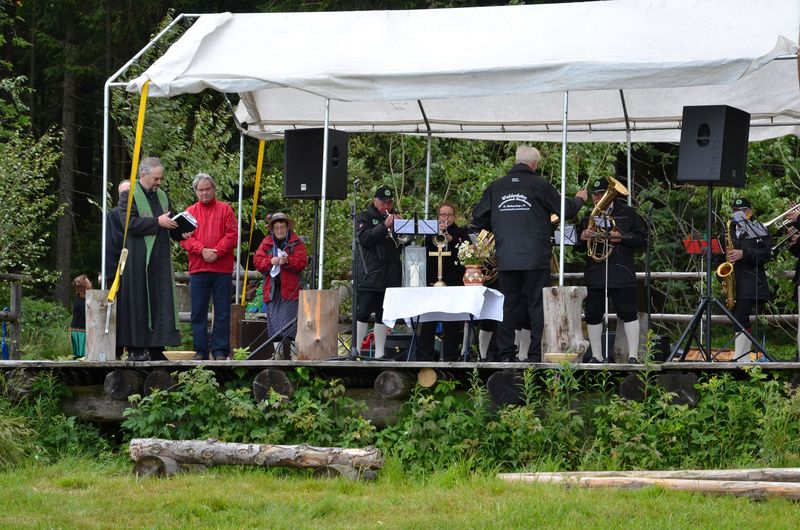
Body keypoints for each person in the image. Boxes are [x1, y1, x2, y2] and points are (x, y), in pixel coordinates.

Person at [470, 145, 587, 362]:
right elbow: (566, 210)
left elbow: (477, 219)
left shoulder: (496, 187)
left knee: (507, 306)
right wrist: (580, 199)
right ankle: (534, 354)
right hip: (535, 257)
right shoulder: (540, 185)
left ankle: (506, 354)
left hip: (506, 258)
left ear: (516, 161)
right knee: (536, 307)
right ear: (534, 164)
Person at [116, 157, 185, 362]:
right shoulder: (128, 196)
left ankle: (157, 346)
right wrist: (157, 221)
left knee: (160, 302)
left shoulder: (162, 196)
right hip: (139, 258)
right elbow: (129, 224)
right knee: (138, 302)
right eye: (156, 179)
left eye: (160, 179)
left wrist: (181, 232)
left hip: (160, 259)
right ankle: (136, 347)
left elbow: (169, 223)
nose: (159, 183)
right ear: (143, 175)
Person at [576, 177, 648, 363]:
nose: (596, 198)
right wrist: (582, 237)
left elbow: (643, 239)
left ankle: (633, 356)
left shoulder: (628, 213)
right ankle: (597, 357)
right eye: (594, 194)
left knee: (628, 312)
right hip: (595, 271)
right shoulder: (588, 216)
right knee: (593, 313)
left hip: (621, 271)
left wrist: (622, 237)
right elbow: (576, 245)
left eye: (600, 194)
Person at [179, 173, 238, 361]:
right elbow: (183, 238)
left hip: (222, 269)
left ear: (214, 189)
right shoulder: (189, 212)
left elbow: (232, 235)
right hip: (198, 269)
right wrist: (202, 250)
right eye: (200, 190)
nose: (204, 193)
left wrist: (217, 252)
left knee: (222, 312)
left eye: (207, 189)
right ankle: (200, 351)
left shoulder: (226, 209)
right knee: (198, 312)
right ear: (195, 192)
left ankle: (220, 352)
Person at [354, 185, 406, 359]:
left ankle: (380, 353)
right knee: (363, 312)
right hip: (371, 273)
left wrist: (402, 226)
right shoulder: (365, 216)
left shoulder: (394, 215)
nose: (387, 206)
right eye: (383, 203)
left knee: (384, 314)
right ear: (375, 201)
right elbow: (364, 239)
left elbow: (405, 242)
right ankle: (356, 352)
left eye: (389, 202)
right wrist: (385, 225)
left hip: (390, 274)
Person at [417, 201, 471, 361]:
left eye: (449, 214)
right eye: (442, 214)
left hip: (453, 283)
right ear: (438, 216)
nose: (445, 218)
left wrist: (452, 239)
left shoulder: (462, 233)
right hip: (434, 283)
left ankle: (450, 357)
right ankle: (424, 357)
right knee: (429, 321)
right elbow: (424, 257)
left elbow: (465, 254)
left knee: (451, 322)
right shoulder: (430, 234)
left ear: (454, 216)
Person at [723, 198, 773, 360]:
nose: (736, 215)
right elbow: (720, 256)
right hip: (735, 281)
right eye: (734, 211)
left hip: (751, 281)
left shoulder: (759, 229)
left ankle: (740, 357)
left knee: (740, 316)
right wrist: (722, 277)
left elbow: (768, 253)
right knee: (739, 317)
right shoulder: (728, 229)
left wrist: (744, 254)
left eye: (740, 211)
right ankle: (743, 357)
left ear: (749, 213)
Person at [253, 212, 308, 357]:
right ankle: (279, 357)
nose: (279, 230)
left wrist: (288, 261)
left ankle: (293, 356)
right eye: (276, 227)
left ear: (287, 227)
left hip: (290, 291)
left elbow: (302, 262)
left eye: (282, 227)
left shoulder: (296, 243)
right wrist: (270, 261)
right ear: (272, 229)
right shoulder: (266, 243)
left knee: (290, 326)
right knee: (274, 327)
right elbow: (258, 262)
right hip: (272, 291)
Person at [104, 180, 130, 288]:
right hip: (118, 269)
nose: (126, 197)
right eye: (123, 194)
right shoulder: (113, 215)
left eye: (128, 193)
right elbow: (114, 243)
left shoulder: (140, 214)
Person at [70, 274, 92, 359]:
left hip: (79, 330)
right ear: (84, 286)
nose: (90, 283)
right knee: (81, 355)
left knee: (81, 356)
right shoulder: (82, 300)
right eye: (88, 282)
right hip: (80, 331)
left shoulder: (81, 298)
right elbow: (86, 315)